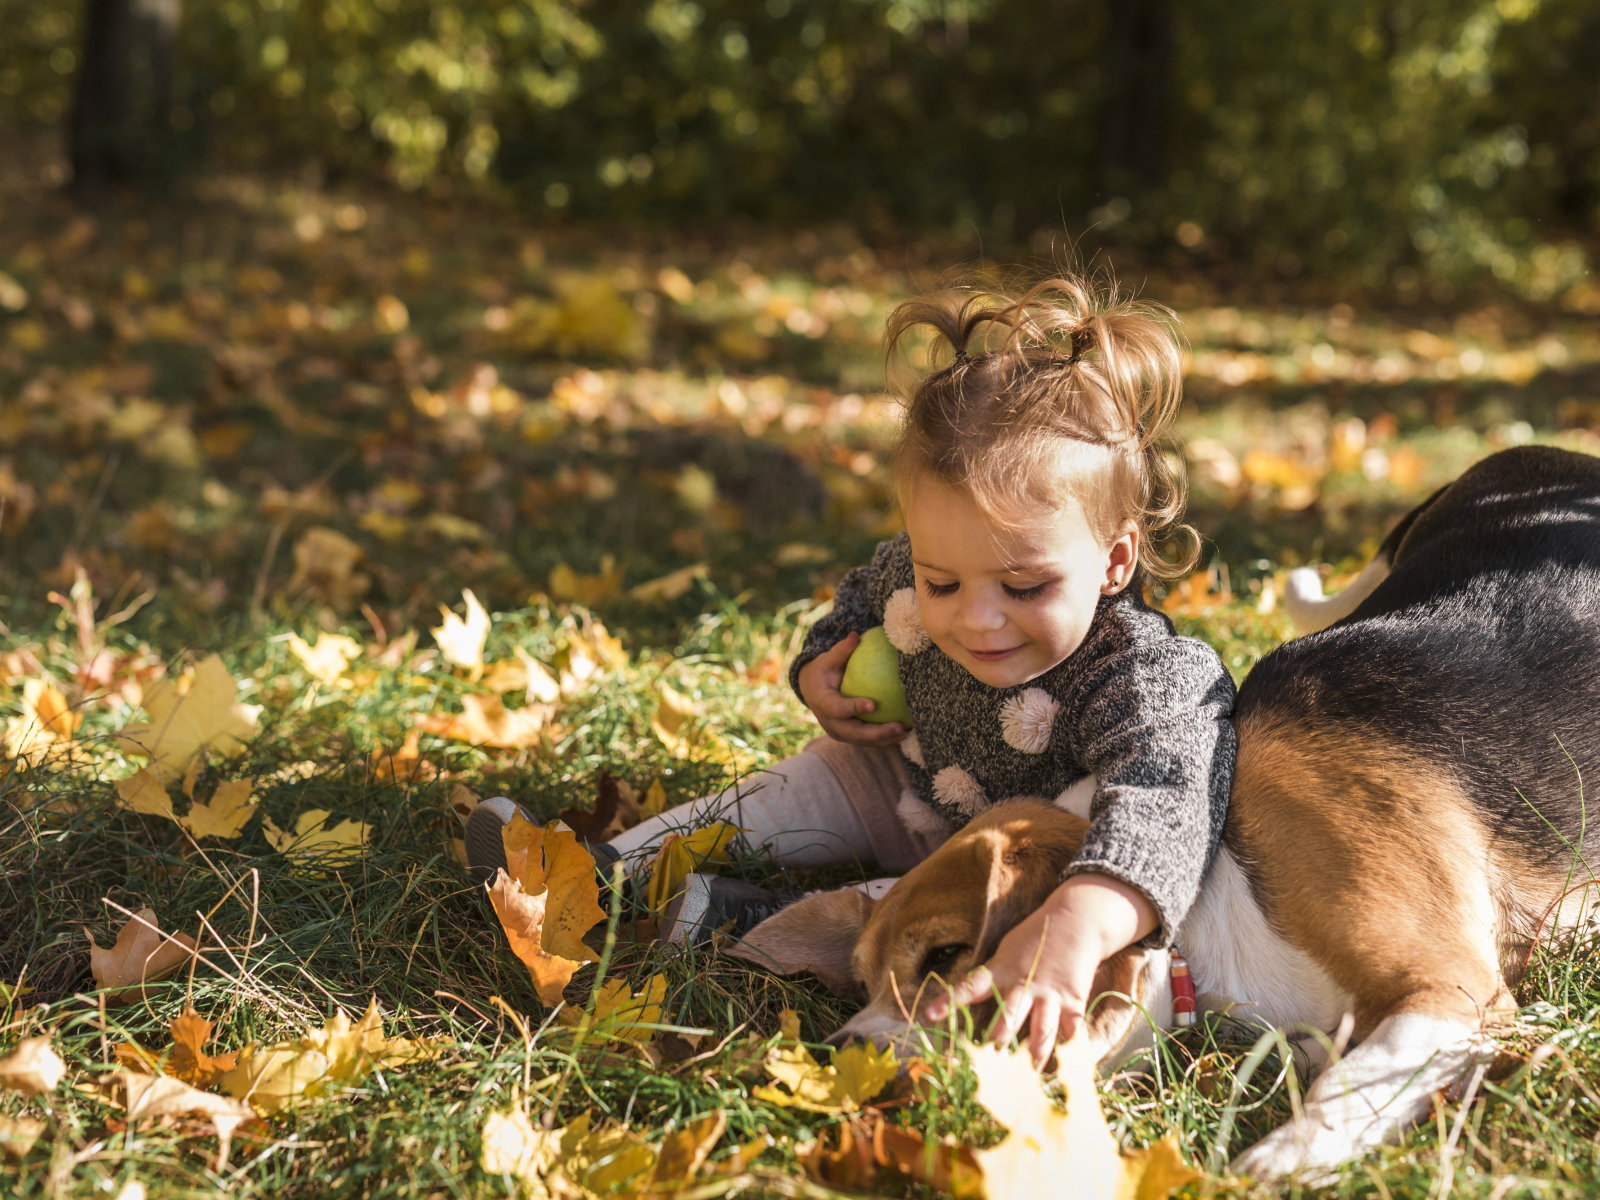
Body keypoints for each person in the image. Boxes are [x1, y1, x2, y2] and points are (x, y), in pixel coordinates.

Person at [467, 272, 1236, 1061]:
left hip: (998, 868)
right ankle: (598, 872)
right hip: (902, 780)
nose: (974, 617)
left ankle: (735, 919)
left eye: (1024, 586)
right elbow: (860, 601)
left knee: (906, 914)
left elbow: (1167, 805)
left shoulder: (1146, 675)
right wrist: (817, 672)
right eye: (942, 582)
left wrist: (1078, 918)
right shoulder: (914, 570)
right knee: (805, 781)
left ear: (1114, 563)